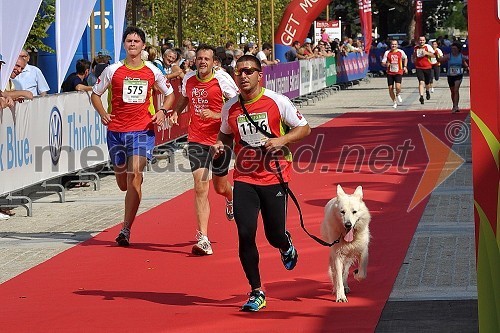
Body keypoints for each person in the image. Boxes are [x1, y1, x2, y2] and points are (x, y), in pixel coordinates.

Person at [211, 55, 311, 311]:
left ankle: (285, 244)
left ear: (259, 75)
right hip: (244, 177)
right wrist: (221, 145)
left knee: (274, 234)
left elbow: (304, 128)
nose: (243, 76)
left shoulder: (277, 101)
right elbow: (224, 132)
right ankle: (256, 291)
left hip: (274, 176)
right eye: (238, 72)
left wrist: (281, 140)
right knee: (245, 234)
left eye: (248, 71)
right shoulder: (230, 107)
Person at [91, 26, 175, 246]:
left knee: (134, 175)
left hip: (142, 130)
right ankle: (130, 188)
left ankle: (125, 229)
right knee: (122, 181)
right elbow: (95, 94)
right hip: (117, 131)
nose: (132, 44)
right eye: (129, 41)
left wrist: (162, 111)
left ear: (143, 46)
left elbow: (170, 94)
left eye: (136, 41)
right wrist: (102, 113)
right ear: (124, 45)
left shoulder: (152, 70)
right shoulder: (112, 70)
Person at [170, 44, 238, 256]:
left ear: (213, 62)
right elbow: (184, 97)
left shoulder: (222, 79)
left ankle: (230, 196)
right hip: (197, 139)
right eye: (199, 58)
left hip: (220, 139)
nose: (202, 62)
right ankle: (203, 238)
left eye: (206, 59)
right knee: (200, 186)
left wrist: (217, 116)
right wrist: (176, 112)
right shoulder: (189, 78)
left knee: (219, 186)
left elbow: (237, 105)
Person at [439, 42, 469, 113]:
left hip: (458, 75)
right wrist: (436, 56)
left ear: (458, 49)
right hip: (450, 75)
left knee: (456, 90)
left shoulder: (461, 56)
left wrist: (467, 67)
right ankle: (454, 104)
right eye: (452, 49)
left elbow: (465, 62)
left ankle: (456, 106)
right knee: (452, 91)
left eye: (455, 49)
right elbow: (440, 60)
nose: (453, 50)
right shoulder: (449, 56)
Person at [381, 40, 408, 109]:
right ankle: (394, 102)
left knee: (398, 86)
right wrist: (386, 64)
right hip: (390, 72)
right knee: (390, 88)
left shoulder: (400, 52)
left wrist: (405, 67)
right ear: (390, 45)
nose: (394, 46)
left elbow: (405, 58)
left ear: (397, 45)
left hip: (398, 71)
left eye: (395, 44)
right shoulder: (387, 53)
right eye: (392, 44)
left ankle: (398, 93)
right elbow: (383, 62)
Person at [412, 36, 435, 104]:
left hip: (427, 67)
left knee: (427, 83)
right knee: (421, 82)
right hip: (419, 67)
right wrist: (414, 59)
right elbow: (414, 55)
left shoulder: (428, 47)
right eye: (420, 40)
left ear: (425, 41)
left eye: (423, 40)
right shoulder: (416, 48)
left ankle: (427, 91)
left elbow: (433, 55)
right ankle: (421, 96)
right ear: (418, 41)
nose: (421, 42)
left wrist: (427, 53)